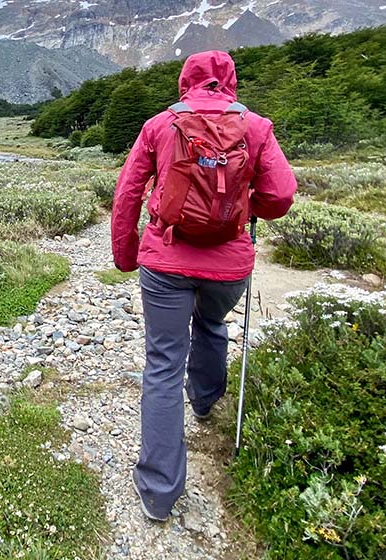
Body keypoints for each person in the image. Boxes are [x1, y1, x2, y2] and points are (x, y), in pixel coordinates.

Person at [110, 50, 296, 522]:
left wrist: (126, 255)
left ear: (185, 80)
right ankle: (207, 401)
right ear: (230, 81)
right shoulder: (257, 127)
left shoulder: (159, 126)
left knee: (163, 364)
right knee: (212, 324)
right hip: (230, 262)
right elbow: (280, 196)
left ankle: (158, 490)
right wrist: (247, 206)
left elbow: (128, 193)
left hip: (166, 261)